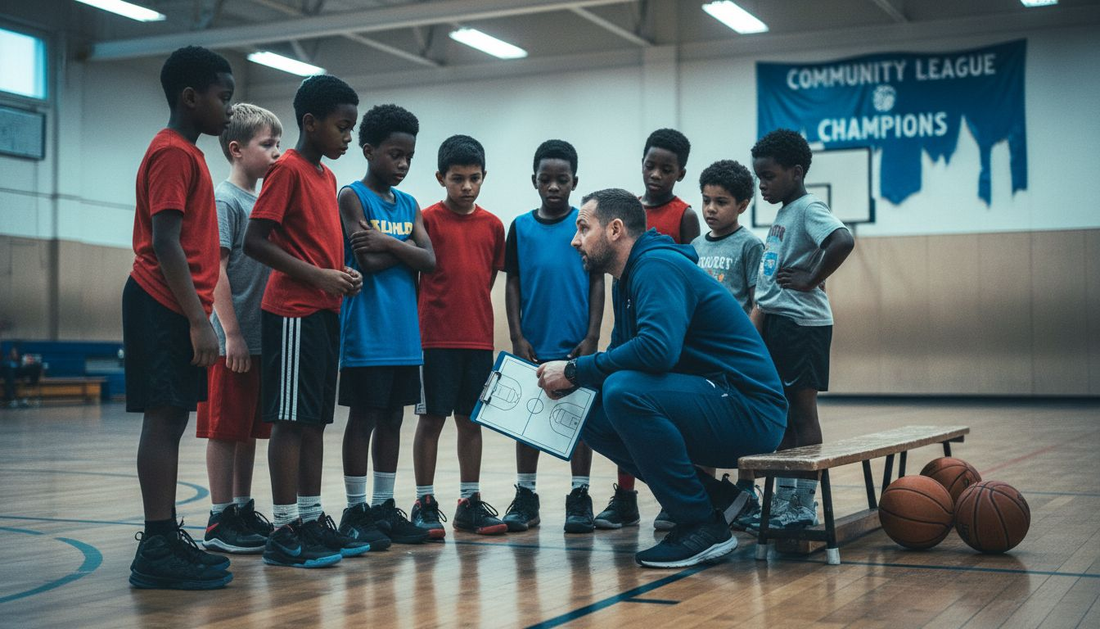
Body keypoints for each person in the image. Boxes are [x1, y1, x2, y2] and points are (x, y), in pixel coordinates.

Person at [536, 187, 787, 568]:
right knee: (593, 410)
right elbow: (623, 358)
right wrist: (572, 383)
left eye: (583, 228)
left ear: (616, 230)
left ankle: (702, 525)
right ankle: (720, 501)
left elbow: (657, 350)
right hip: (718, 402)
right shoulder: (628, 277)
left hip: (750, 410)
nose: (574, 240)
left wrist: (574, 369)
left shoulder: (656, 267)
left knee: (623, 392)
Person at [243, 74, 368, 568]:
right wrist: (319, 276)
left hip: (323, 312)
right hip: (291, 314)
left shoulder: (327, 178)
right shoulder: (288, 169)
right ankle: (283, 528)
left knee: (314, 421)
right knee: (290, 422)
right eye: (342, 126)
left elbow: (314, 244)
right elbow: (256, 240)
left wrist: (339, 276)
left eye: (352, 128)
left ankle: (312, 519)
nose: (348, 137)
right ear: (311, 123)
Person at [124, 46, 235, 589]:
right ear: (191, 98)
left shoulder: (188, 153)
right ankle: (156, 544)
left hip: (177, 302)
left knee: (171, 418)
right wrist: (198, 320)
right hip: (162, 301)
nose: (229, 110)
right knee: (164, 419)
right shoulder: (172, 152)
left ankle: (164, 537)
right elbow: (165, 241)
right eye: (223, 97)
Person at [742, 129, 855, 531]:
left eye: (769, 176)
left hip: (802, 327)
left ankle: (803, 505)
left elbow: (843, 240)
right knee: (785, 416)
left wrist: (811, 277)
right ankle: (785, 500)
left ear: (796, 171)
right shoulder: (787, 211)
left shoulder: (808, 207)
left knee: (802, 414)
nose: (762, 184)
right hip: (779, 324)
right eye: (759, 177)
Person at [335, 104, 434, 546]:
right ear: (369, 149)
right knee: (365, 418)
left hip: (405, 337)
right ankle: (355, 510)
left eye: (409, 157)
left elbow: (430, 260)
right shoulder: (352, 195)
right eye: (395, 154)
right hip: (367, 334)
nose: (403, 164)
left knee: (393, 418)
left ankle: (383, 506)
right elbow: (367, 260)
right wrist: (402, 246)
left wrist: (385, 239)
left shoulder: (410, 203)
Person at [597, 127, 702, 531]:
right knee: (616, 405)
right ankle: (625, 498)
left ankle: (673, 498)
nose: (656, 174)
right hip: (628, 323)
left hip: (668, 331)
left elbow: (693, 271)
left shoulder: (686, 215)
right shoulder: (625, 211)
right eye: (650, 165)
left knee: (664, 415)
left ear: (681, 173)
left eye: (667, 169)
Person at [501, 140, 605, 534]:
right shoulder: (521, 227)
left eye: (562, 180)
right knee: (527, 423)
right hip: (533, 342)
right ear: (535, 181)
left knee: (580, 423)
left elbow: (597, 280)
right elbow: (513, 282)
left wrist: (593, 335)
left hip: (576, 343)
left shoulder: (585, 225)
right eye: (546, 179)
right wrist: (516, 335)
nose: (554, 186)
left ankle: (580, 495)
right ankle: (526, 496)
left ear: (574, 181)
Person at [410, 135, 508, 538]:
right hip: (434, 341)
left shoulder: (493, 226)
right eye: (457, 179)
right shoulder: (426, 220)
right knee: (431, 421)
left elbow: (484, 281)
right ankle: (424, 501)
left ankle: (469, 502)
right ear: (440, 178)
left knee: (471, 422)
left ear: (484, 177)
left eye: (474, 178)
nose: (467, 186)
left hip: (478, 342)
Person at [196, 104, 282, 555]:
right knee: (224, 430)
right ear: (236, 149)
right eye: (267, 144)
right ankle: (219, 516)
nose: (276, 152)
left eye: (277, 144)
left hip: (262, 337)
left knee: (248, 430)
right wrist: (231, 334)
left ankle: (242, 507)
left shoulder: (263, 201)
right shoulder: (225, 199)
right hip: (236, 338)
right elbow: (216, 272)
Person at [691, 160, 763, 315]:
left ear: (742, 206)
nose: (710, 209)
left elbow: (758, 302)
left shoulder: (750, 245)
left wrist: (752, 338)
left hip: (735, 335)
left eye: (721, 202)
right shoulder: (695, 245)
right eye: (706, 200)